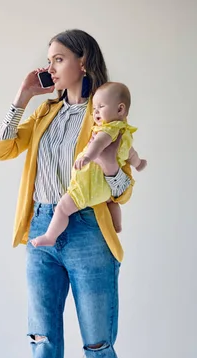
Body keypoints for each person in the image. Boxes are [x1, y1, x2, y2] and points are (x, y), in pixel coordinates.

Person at [0, 29, 134, 358]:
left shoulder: (105, 111)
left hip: (88, 234)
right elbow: (1, 149)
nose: (50, 65)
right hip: (41, 233)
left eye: (59, 58)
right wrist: (23, 95)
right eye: (47, 58)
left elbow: (123, 187)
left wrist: (111, 163)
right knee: (43, 345)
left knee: (97, 344)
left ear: (83, 61)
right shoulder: (46, 112)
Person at [30, 81, 147, 247]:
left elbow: (98, 144)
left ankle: (50, 236)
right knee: (111, 202)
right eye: (94, 108)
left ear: (120, 109)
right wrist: (139, 163)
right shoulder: (125, 133)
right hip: (103, 191)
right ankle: (117, 225)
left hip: (87, 188)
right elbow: (131, 154)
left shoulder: (106, 130)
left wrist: (88, 158)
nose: (96, 112)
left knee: (62, 208)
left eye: (101, 107)